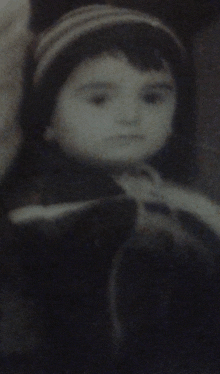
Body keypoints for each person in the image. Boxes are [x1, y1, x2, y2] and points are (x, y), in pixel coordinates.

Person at [1, 4, 220, 373]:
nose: (131, 116)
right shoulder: (47, 222)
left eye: (152, 97)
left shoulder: (187, 203)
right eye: (99, 98)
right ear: (48, 121)